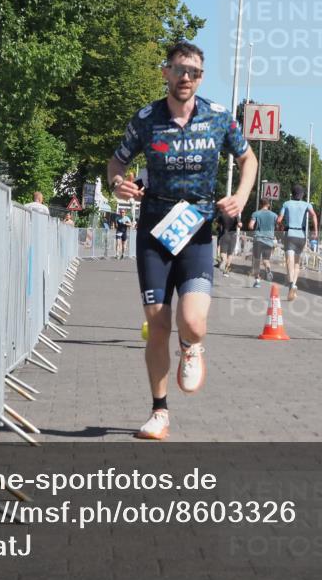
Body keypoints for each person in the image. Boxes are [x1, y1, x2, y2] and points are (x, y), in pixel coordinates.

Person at [107, 41, 257, 440]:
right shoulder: (146, 119)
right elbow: (116, 162)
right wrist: (119, 184)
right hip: (154, 231)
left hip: (197, 230)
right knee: (157, 325)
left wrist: (240, 198)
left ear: (201, 77)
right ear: (166, 73)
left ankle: (192, 347)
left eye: (193, 71)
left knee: (191, 321)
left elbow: (248, 159)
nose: (185, 77)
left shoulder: (219, 118)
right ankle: (159, 412)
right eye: (178, 69)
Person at [277, 184, 318, 301]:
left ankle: (290, 283)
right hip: (301, 236)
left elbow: (279, 219)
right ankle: (294, 284)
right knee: (296, 263)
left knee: (289, 260)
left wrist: (281, 226)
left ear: (292, 193)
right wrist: (315, 231)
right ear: (302, 195)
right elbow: (314, 215)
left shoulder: (286, 204)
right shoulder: (306, 205)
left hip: (290, 234)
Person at [249, 198, 278, 287]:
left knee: (256, 260)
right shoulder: (274, 215)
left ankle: (257, 281)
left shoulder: (256, 214)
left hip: (258, 239)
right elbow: (277, 226)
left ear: (260, 204)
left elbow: (250, 226)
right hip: (269, 240)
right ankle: (268, 270)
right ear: (268, 205)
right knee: (266, 260)